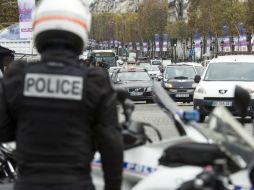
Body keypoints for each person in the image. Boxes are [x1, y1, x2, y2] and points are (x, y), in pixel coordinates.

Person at [0, 0, 123, 190]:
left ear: (38, 31)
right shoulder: (94, 82)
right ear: (81, 31)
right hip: (77, 183)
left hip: (29, 183)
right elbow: (111, 145)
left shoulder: (18, 77)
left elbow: (4, 131)